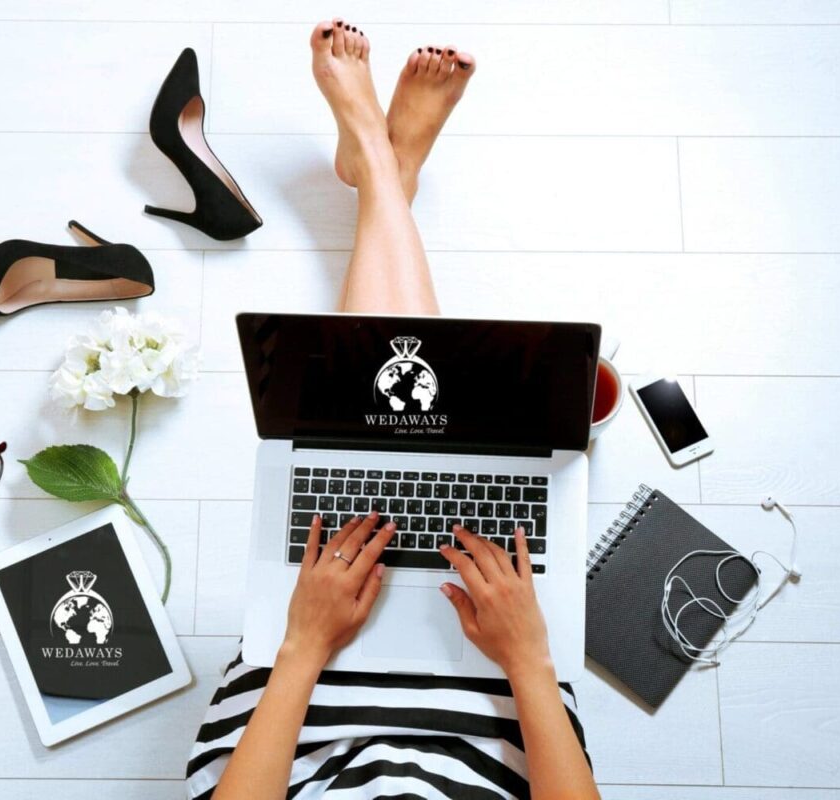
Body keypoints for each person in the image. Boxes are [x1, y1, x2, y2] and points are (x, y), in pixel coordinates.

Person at [185, 20, 599, 800]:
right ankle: (382, 173)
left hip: (305, 710)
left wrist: (305, 642)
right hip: (499, 703)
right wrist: (529, 662)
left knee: (388, 444)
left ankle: (380, 168)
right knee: (428, 449)